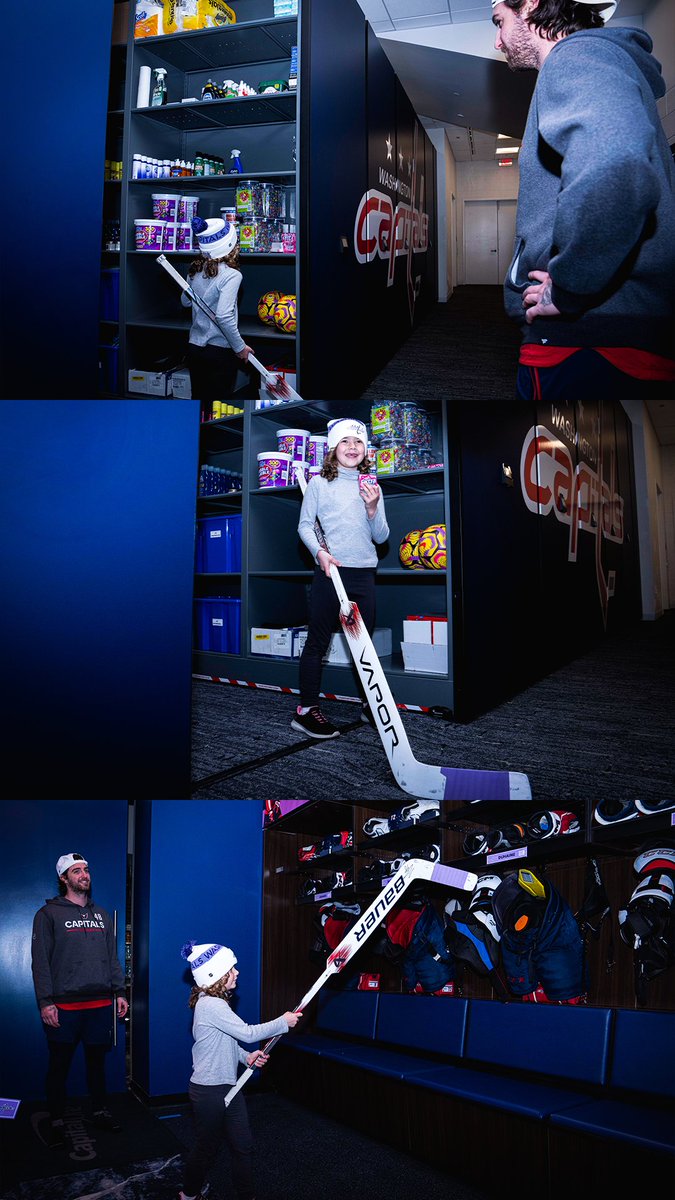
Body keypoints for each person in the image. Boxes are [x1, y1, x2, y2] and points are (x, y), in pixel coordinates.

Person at [491, 0, 675, 404]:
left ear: (531, 6)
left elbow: (616, 167)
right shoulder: (599, 60)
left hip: (590, 339)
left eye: (500, 21)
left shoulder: (575, 55)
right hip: (617, 333)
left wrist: (570, 288)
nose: (498, 40)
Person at [179, 940, 302, 1200]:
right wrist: (284, 1022)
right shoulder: (212, 1005)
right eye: (232, 970)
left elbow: (228, 1041)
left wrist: (247, 1058)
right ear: (217, 975)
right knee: (206, 1149)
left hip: (229, 1087)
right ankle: (188, 1195)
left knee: (243, 1146)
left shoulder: (212, 1002)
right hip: (209, 1091)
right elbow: (248, 1032)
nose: (237, 973)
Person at [292, 417, 389, 740]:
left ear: (366, 450)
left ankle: (369, 705)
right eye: (345, 442)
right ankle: (306, 710)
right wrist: (320, 553)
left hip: (363, 574)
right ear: (334, 448)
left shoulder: (371, 486)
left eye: (358, 442)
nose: (352, 447)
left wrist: (373, 509)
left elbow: (381, 536)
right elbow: (305, 525)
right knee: (317, 642)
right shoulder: (319, 483)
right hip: (331, 572)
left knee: (364, 646)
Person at [31, 852, 128, 1146]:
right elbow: (41, 963)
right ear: (64, 878)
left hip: (100, 1006)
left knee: (96, 1065)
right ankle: (57, 1119)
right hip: (64, 1008)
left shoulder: (102, 915)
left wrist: (119, 991)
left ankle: (99, 1111)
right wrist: (45, 1002)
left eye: (86, 869)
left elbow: (111, 958)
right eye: (77, 871)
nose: (84, 874)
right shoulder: (48, 915)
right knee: (58, 1066)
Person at [181, 216, 252, 402]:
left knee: (199, 401)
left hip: (194, 347)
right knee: (219, 405)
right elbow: (224, 316)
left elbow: (185, 302)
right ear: (230, 244)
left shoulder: (195, 269)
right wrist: (240, 347)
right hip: (219, 352)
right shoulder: (232, 275)